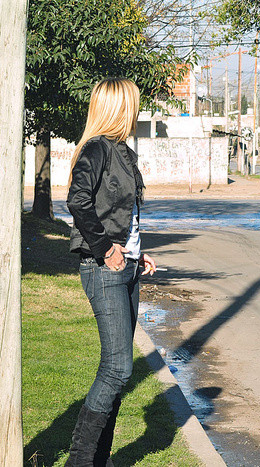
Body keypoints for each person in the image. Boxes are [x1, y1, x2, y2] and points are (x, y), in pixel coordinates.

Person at [65, 77, 157, 466]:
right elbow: (77, 200)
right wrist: (106, 249)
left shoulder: (123, 152)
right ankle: (79, 460)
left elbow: (125, 215)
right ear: (119, 107)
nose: (137, 111)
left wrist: (138, 252)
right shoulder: (96, 149)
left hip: (128, 267)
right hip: (103, 267)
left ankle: (96, 461)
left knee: (115, 369)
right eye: (133, 104)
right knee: (119, 368)